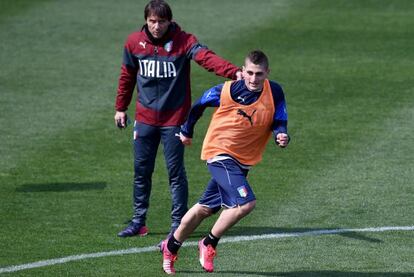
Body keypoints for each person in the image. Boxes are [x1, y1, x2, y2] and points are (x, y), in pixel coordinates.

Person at [114, 0, 242, 238]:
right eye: (152, 21)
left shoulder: (184, 41)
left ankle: (177, 225)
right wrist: (121, 107)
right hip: (144, 119)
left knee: (175, 173)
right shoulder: (134, 43)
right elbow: (127, 75)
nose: (156, 26)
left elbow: (206, 58)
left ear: (169, 21)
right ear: (146, 21)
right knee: (141, 171)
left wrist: (233, 72)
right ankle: (138, 221)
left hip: (174, 120)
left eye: (161, 21)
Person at [159, 50, 290, 274]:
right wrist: (186, 131)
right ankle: (209, 242)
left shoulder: (275, 91)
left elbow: (279, 119)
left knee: (205, 209)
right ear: (243, 70)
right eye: (249, 72)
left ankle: (170, 247)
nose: (253, 78)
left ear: (267, 72)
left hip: (243, 160)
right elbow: (198, 105)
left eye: (259, 74)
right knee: (246, 203)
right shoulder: (227, 90)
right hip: (219, 152)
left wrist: (281, 134)